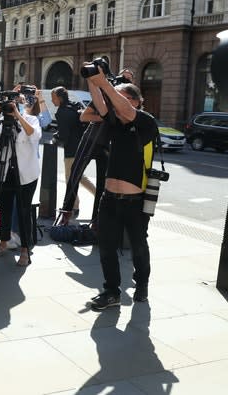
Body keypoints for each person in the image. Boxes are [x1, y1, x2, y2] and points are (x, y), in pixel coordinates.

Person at [85, 68, 158, 310]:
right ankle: (111, 291)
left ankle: (142, 285)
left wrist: (105, 84)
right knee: (106, 246)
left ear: (137, 102)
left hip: (134, 202)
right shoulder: (114, 123)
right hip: (109, 199)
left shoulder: (146, 122)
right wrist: (92, 81)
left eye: (122, 97)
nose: (117, 103)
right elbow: (100, 104)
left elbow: (126, 110)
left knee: (138, 245)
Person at [0, 88, 43, 267]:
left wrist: (17, 114)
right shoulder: (2, 119)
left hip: (26, 173)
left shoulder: (31, 118)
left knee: (24, 210)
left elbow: (34, 134)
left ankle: (25, 250)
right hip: (5, 171)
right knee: (4, 208)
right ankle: (3, 243)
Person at [53, 86, 93, 219]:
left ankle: (76, 205)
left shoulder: (61, 112)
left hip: (71, 150)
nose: (52, 100)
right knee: (77, 176)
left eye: (53, 97)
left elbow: (64, 135)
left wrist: (55, 137)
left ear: (59, 98)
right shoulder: (73, 106)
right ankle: (76, 205)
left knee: (72, 178)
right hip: (82, 147)